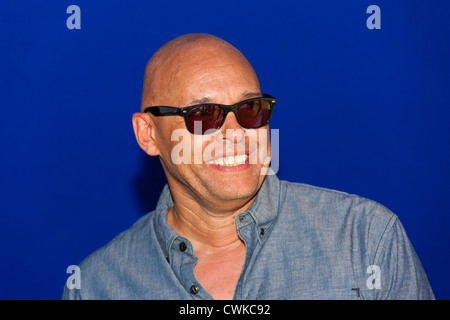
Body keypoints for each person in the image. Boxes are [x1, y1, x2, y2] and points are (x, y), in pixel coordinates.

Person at [62, 33, 434, 300]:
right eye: (203, 114)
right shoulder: (95, 286)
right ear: (148, 134)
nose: (237, 132)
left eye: (250, 109)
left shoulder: (366, 240)